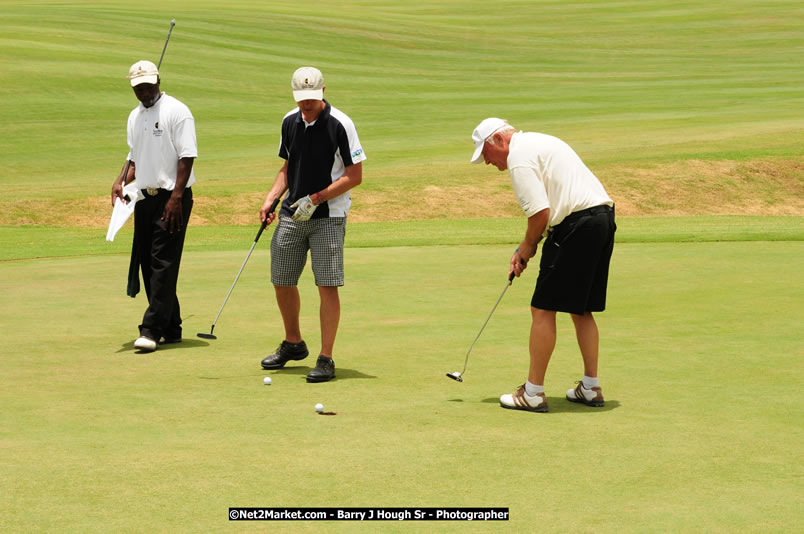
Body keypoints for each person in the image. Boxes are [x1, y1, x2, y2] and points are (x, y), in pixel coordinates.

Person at [470, 118, 616, 412]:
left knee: (542, 308)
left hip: (576, 225)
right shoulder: (538, 141)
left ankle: (533, 392)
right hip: (602, 219)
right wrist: (528, 247)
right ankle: (591, 387)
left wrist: (526, 248)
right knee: (581, 307)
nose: (487, 161)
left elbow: (539, 214)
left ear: (498, 140)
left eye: (486, 152)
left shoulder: (519, 158)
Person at [258, 67, 365, 383]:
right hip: (293, 213)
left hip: (328, 216)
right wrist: (270, 199)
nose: (307, 105)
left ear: (323, 92)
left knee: (326, 284)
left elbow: (354, 176)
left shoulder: (340, 125)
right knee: (281, 278)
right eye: (302, 99)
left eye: (312, 99)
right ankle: (293, 343)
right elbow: (288, 166)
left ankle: (326, 357)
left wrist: (316, 198)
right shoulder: (289, 121)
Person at [111, 60, 197, 352]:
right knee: (148, 263)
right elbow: (134, 155)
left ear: (158, 80)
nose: (144, 91)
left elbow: (187, 156)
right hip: (144, 199)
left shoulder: (177, 111)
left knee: (163, 262)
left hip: (172, 198)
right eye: (138, 87)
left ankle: (151, 329)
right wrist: (121, 180)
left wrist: (175, 198)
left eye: (148, 85)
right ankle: (171, 326)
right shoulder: (135, 117)